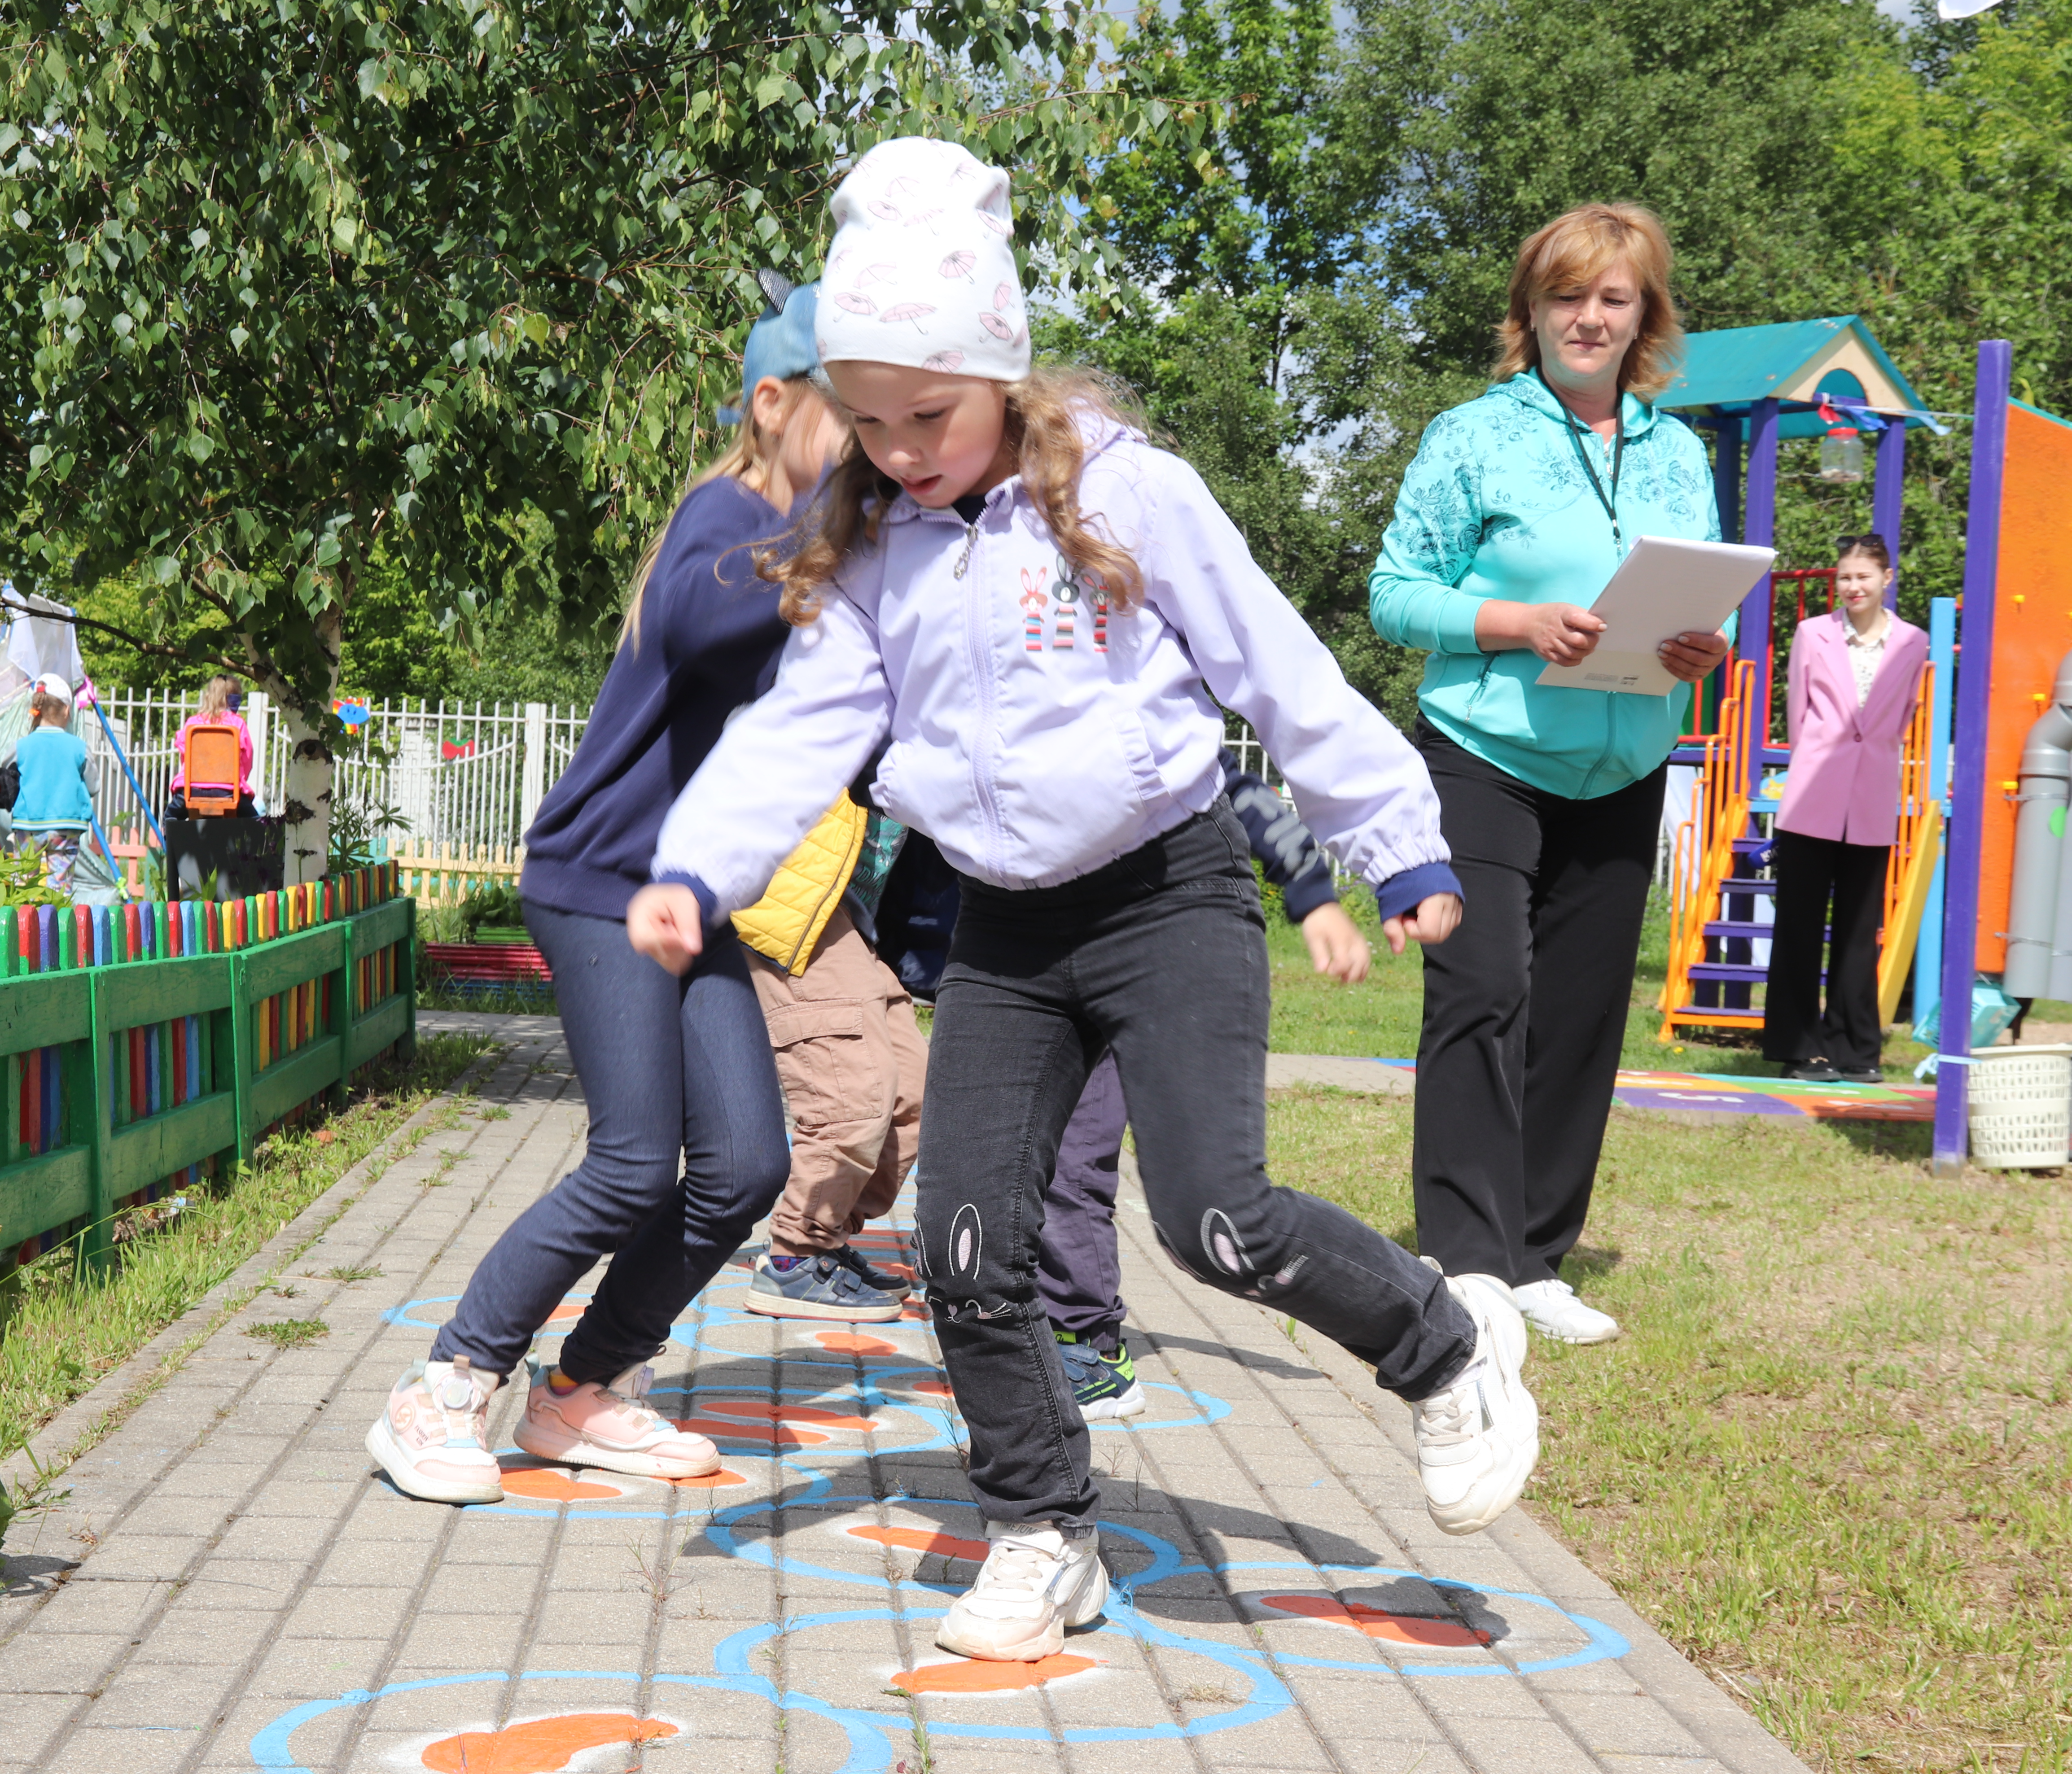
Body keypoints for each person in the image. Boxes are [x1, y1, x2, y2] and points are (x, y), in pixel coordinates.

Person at [630, 138, 1538, 1665]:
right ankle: (1043, 1529)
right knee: (965, 1244)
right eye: (868, 423)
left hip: (1167, 893)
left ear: (1000, 371)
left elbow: (1276, 665)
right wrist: (695, 869)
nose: (903, 448)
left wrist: (1399, 841)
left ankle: (1448, 1347)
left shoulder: (1126, 494)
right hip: (1004, 928)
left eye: (930, 415)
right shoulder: (873, 549)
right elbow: (801, 727)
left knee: (1213, 1221)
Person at [365, 275, 842, 1506]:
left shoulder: (826, 546)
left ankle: (582, 1393)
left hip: (692, 895)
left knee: (743, 1164)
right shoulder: (727, 517)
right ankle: (444, 1388)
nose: (878, 449)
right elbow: (695, 623)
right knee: (635, 1162)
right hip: (595, 880)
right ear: (776, 403)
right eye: (857, 420)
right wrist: (836, 528)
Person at [1369, 203, 1727, 1352]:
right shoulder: (1471, 436)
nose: (1589, 316)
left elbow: (1699, 588)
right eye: (1566, 295)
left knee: (1579, 1016)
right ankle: (1465, 1259)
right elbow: (1395, 591)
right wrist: (1514, 621)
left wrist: (1697, 648)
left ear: (1644, 318)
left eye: (1612, 298)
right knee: (1481, 993)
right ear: (1530, 312)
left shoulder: (1680, 454)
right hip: (1484, 757)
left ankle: (1536, 1257)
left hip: (1625, 761)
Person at [1040, 766, 1367, 1422]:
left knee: (1082, 1161)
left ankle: (1089, 1348)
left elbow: (1247, 795)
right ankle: (1039, 1323)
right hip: (1039, 961)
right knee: (1015, 1159)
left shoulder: (1160, 741)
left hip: (1146, 960)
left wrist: (1311, 893)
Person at [736, 798, 927, 1325]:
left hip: (847, 913)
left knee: (912, 1091)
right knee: (854, 1092)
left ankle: (824, 1237)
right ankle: (793, 1255)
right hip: (793, 897)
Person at [1762, 533, 1928, 1083]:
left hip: (1874, 797)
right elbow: (1798, 709)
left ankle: (1857, 1050)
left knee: (1860, 931)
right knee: (1799, 926)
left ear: (1888, 578)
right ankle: (1798, 1049)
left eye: (1863, 576)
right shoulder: (1813, 634)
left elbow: (1904, 714)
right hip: (1814, 794)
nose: (1853, 587)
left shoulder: (1913, 642)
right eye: (1845, 578)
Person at [9, 687, 98, 886]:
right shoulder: (79, 747)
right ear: (67, 710)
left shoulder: (22, 746)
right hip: (65, 825)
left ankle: (21, 915)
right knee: (60, 887)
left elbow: (5, 776)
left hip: (28, 823)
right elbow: (94, 786)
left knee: (22, 883)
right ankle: (56, 916)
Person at [169, 673, 255, 807]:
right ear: (233, 700)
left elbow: (185, 756)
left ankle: (166, 828)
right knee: (256, 824)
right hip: (229, 790)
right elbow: (247, 759)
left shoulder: (193, 723)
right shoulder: (238, 724)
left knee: (171, 818)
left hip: (191, 789)